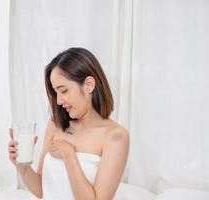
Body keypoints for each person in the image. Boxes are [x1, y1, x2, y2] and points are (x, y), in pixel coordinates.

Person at [8, 47, 129, 200]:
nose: (58, 101)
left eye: (63, 91)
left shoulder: (116, 136)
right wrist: (22, 166)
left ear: (88, 85)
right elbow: (41, 190)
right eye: (55, 92)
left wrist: (69, 155)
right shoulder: (55, 125)